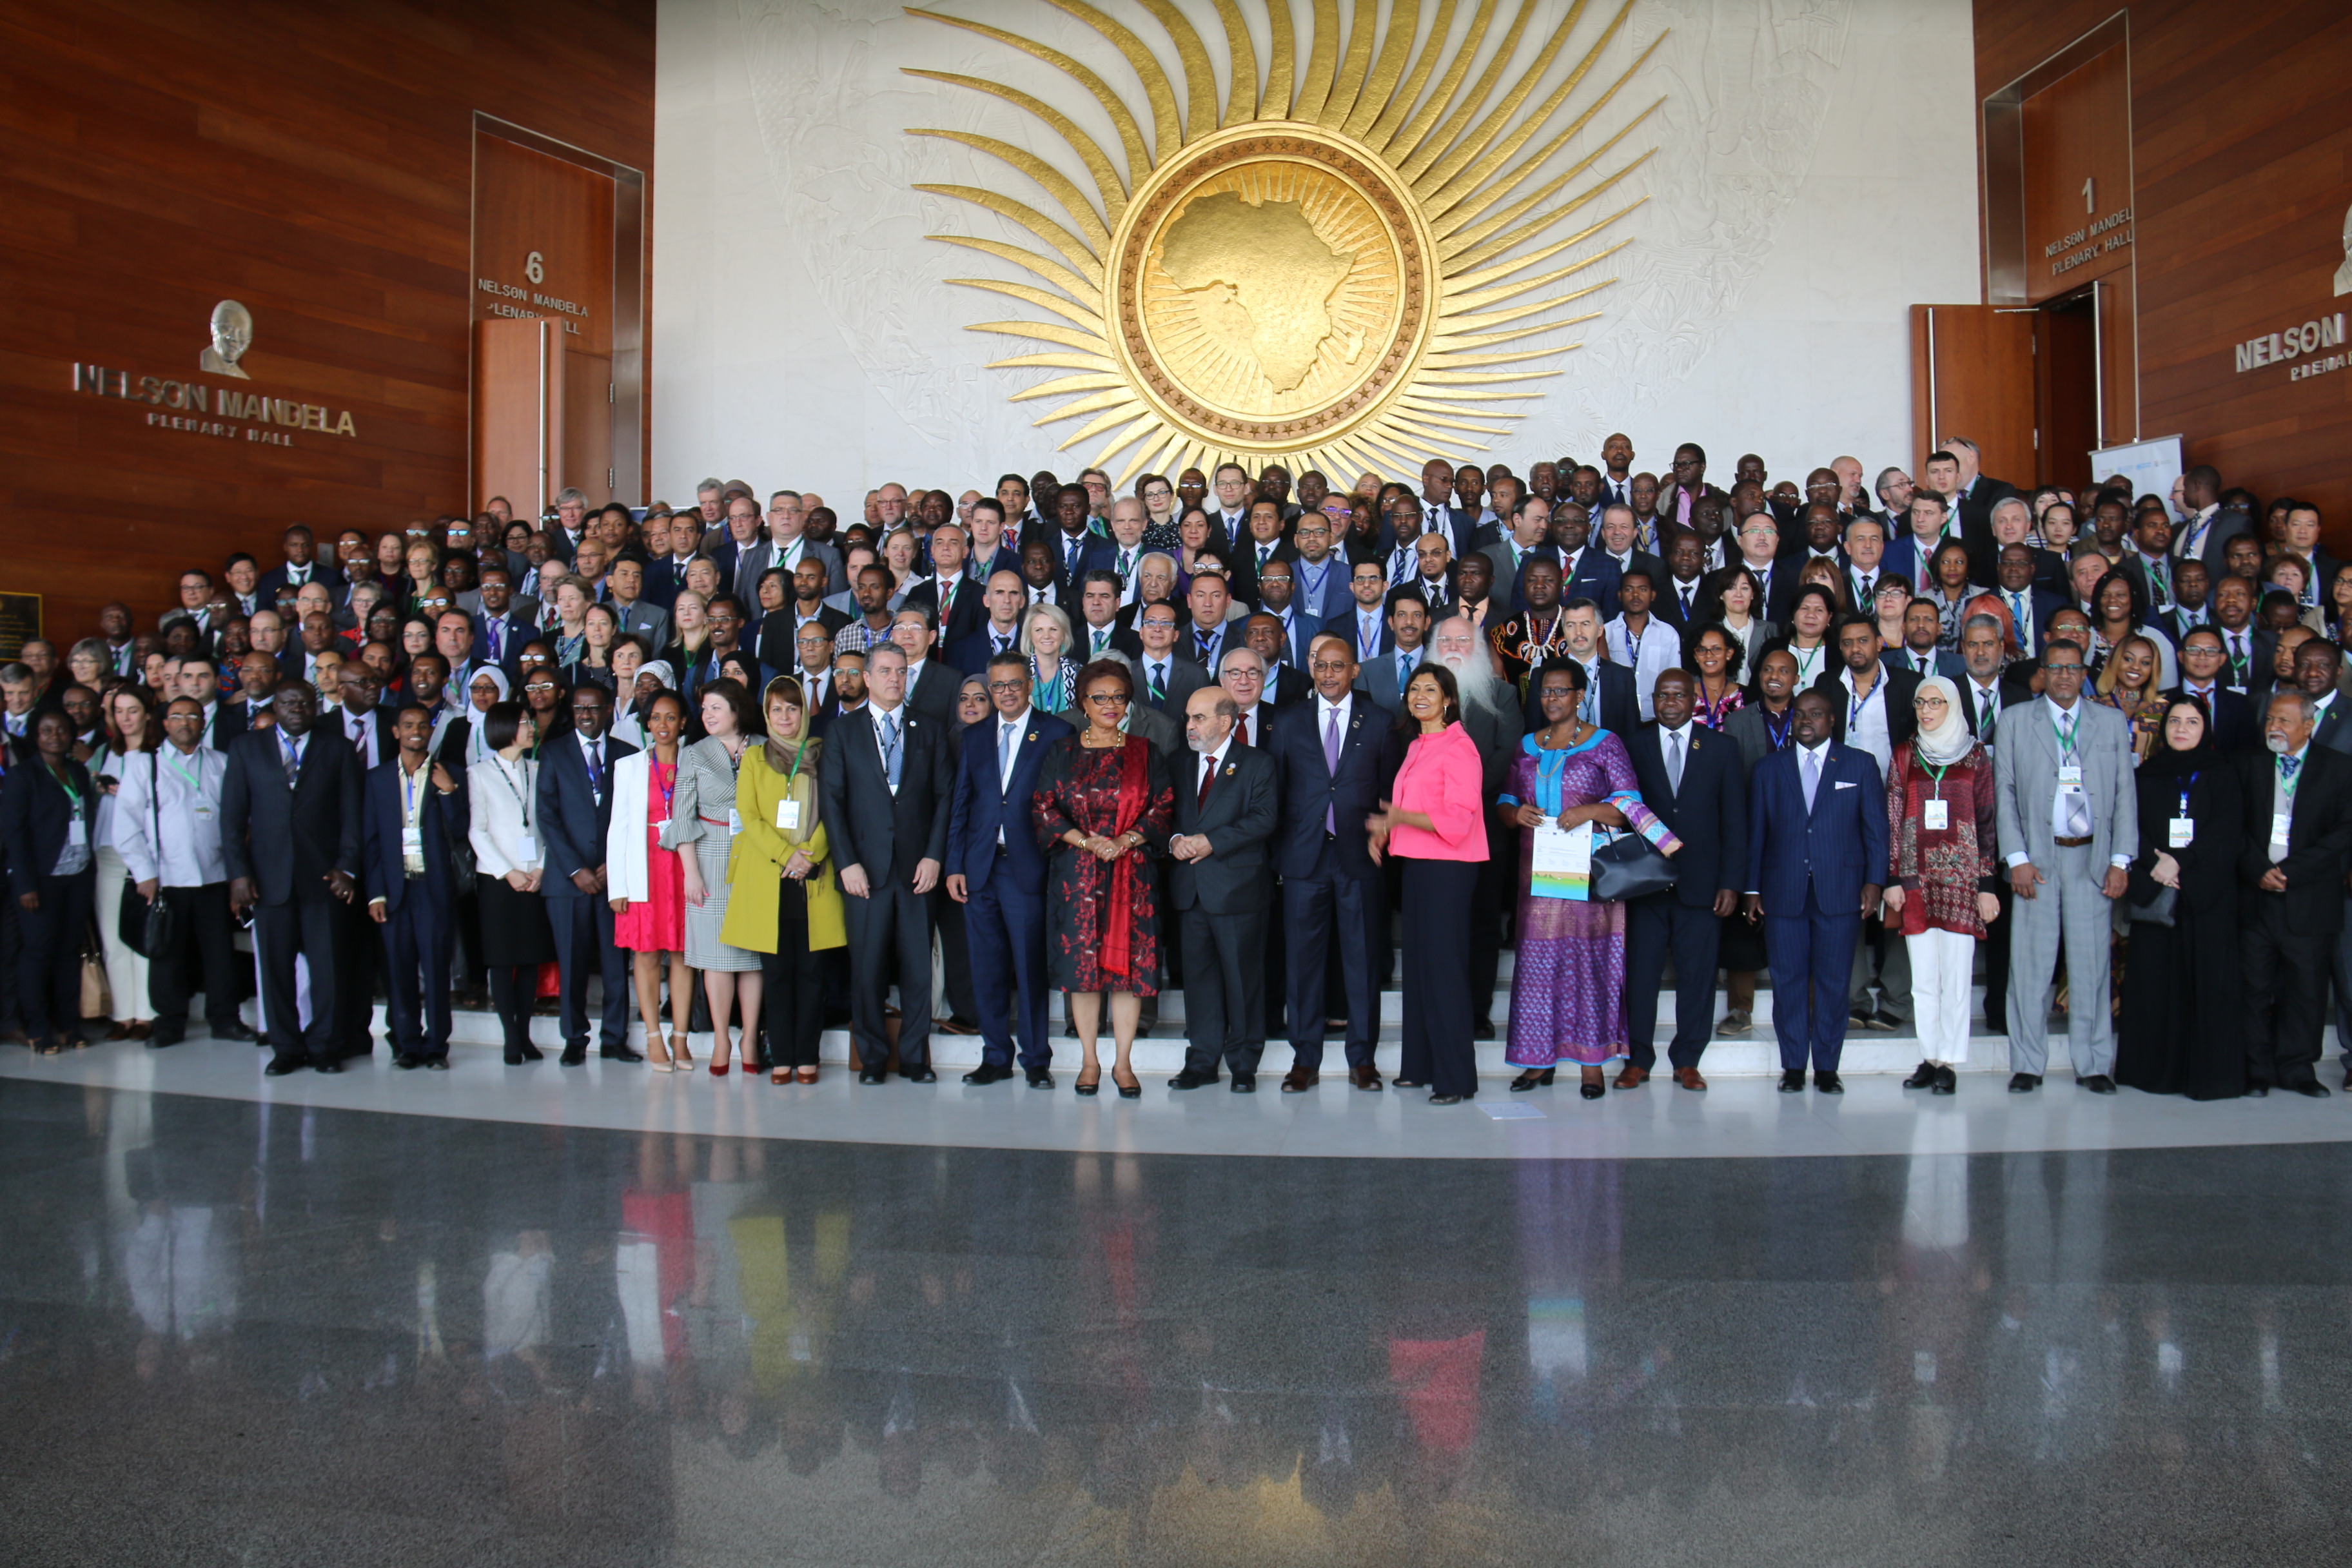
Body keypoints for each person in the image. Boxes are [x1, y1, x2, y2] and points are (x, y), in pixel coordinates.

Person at [1993, 641, 2135, 1093]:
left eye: (2073, 668)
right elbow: (2005, 793)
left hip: (2091, 860)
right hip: (2037, 860)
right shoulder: (2016, 720)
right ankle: (2027, 1064)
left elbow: (2126, 796)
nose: (2065, 676)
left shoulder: (2110, 723)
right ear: (2044, 672)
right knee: (2030, 968)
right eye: (2056, 668)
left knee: (2091, 968)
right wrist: (2016, 858)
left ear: (2084, 672)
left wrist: (2120, 860)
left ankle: (2092, 1064)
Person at [1032, 659, 1173, 1095]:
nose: (1110, 705)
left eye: (1118, 697)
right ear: (1083, 703)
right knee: (1083, 971)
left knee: (1130, 972)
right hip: (1077, 876)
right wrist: (1087, 842)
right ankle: (1090, 1061)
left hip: (1133, 876)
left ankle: (1124, 1063)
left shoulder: (1145, 751)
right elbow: (1042, 807)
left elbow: (1164, 805)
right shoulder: (1063, 750)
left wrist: (1126, 840)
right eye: (1100, 698)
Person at [1742, 687, 1888, 1093]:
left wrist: (1875, 882)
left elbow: (1876, 831)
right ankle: (1793, 1065)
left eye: (1816, 714)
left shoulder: (1860, 765)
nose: (1806, 721)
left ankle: (1826, 1066)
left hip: (1841, 891)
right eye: (1800, 714)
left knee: (1833, 982)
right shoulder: (1769, 770)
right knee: (1787, 982)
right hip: (1782, 890)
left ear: (1832, 720)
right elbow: (1757, 835)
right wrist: (1752, 889)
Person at [819, 641, 954, 1084]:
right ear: (868, 677)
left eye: (901, 671)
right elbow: (832, 804)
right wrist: (846, 863)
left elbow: (943, 798)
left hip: (918, 870)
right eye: (886, 671)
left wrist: (935, 855)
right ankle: (873, 1057)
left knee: (918, 968)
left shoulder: (930, 729)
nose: (895, 678)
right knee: (868, 969)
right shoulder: (843, 731)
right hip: (865, 872)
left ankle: (915, 1057)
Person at [1269, 634, 1398, 1090]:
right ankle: (1305, 1058)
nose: (1328, 674)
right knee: (1302, 962)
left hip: (1358, 858)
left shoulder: (1381, 722)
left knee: (1362, 961)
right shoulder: (1287, 721)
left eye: (1337, 666)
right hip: (1304, 858)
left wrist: (1383, 836)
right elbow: (1278, 793)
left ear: (1354, 671)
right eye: (1321, 666)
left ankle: (1362, 1058)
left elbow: (1388, 795)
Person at [222, 678, 362, 1073]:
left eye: (304, 703)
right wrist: (238, 874)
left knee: (327, 970)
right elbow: (231, 819)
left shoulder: (338, 749)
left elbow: (353, 815)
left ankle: (324, 1047)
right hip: (267, 881)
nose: (296, 709)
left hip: (324, 878)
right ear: (277, 706)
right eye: (288, 703)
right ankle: (286, 1047)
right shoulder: (246, 748)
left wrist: (347, 866)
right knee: (275, 969)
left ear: (316, 706)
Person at [946, 653, 1073, 1088]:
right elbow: (962, 802)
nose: (1005, 694)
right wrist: (954, 865)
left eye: (1013, 685)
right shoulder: (976, 735)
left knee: (1029, 967)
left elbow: (1066, 806)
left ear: (1029, 683)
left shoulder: (1057, 732)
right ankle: (995, 1056)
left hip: (1029, 870)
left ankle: (1036, 1059)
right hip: (979, 868)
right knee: (987, 968)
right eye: (997, 687)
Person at [1367, 663, 1489, 1104]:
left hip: (1449, 870)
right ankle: (1418, 1067)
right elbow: (1410, 804)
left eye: (1430, 690)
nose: (1419, 696)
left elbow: (1458, 820)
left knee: (1443, 970)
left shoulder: (1460, 747)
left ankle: (1455, 1078)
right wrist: (1387, 831)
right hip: (1418, 864)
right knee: (1418, 969)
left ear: (1449, 699)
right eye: (1414, 689)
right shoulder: (1419, 743)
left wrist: (1398, 818)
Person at [2114, 696, 2246, 1098]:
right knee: (2156, 986)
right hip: (2158, 894)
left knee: (2209, 987)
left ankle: (2208, 1078)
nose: (2182, 728)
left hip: (2207, 898)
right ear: (2164, 728)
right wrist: (2159, 870)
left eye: (2192, 721)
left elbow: (2229, 832)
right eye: (2174, 721)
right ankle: (2153, 1073)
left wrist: (2182, 863)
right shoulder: (2147, 775)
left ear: (2205, 728)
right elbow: (2131, 828)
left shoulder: (2223, 773)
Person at [1622, 669, 1742, 1090]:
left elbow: (1734, 821)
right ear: (1653, 700)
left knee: (1699, 976)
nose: (1671, 702)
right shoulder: (1632, 746)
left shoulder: (1721, 748)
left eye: (1679, 695)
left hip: (1702, 884)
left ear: (1694, 699)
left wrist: (1731, 883)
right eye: (1663, 695)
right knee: (1640, 976)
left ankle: (1688, 1059)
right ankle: (1638, 1059)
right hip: (1645, 884)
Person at [1883, 678, 2001, 1095]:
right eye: (1920, 702)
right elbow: (1894, 818)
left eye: (1936, 702)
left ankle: (1950, 1060)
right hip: (1916, 880)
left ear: (1952, 705)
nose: (1927, 710)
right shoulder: (1905, 754)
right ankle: (1929, 1057)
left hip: (1962, 881)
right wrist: (1894, 877)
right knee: (1923, 980)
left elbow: (1987, 821)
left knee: (1956, 975)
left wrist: (1987, 884)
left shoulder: (1976, 756)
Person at [729, 675, 845, 1084]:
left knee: (813, 974)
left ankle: (807, 1057)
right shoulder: (755, 759)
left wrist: (807, 854)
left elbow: (836, 811)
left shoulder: (825, 754)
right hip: (769, 878)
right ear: (766, 713)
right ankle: (781, 1057)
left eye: (792, 709)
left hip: (813, 878)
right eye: (776, 709)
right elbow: (749, 816)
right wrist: (785, 855)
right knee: (776, 976)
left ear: (804, 713)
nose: (784, 716)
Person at [2237, 689, 2352, 1097]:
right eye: (2270, 720)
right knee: (2253, 988)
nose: (2274, 728)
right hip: (2257, 897)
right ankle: (2256, 1070)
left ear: (2309, 725)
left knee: (2306, 990)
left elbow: (2344, 831)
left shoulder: (2339, 768)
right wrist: (2259, 871)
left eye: (2284, 721)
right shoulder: (2248, 765)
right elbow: (2234, 827)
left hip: (2309, 898)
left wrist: (2290, 872)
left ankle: (2298, 1068)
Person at [1166, 685, 1279, 1092]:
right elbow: (1165, 813)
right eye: (1189, 717)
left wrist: (1213, 841)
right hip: (1190, 889)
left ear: (1225, 722)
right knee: (1199, 981)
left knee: (1243, 978)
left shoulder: (1256, 763)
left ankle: (1244, 1062)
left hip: (1238, 889)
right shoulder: (1178, 762)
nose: (1190, 725)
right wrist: (1175, 839)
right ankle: (1201, 1061)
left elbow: (1265, 818)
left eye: (1199, 718)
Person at [538, 681, 643, 1066]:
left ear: (608, 710)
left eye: (594, 708)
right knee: (572, 963)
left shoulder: (629, 755)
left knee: (616, 965)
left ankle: (614, 1038)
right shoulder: (553, 752)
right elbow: (547, 816)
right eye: (579, 709)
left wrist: (615, 864)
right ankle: (575, 1038)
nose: (586, 715)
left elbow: (635, 817)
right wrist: (576, 869)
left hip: (615, 879)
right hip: (569, 883)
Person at [360, 705, 467, 1068]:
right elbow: (371, 841)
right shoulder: (377, 779)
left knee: (437, 969)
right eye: (408, 726)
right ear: (396, 732)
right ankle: (406, 1043)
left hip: (433, 889)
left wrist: (450, 793)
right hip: (393, 890)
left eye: (423, 725)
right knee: (398, 969)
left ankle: (437, 1046)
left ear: (431, 730)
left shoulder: (449, 773)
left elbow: (463, 830)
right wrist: (375, 892)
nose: (416, 731)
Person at [667, 678, 764, 1074]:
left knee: (753, 955)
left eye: (716, 708)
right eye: (704, 708)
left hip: (758, 854)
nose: (707, 715)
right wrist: (691, 872)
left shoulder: (764, 745)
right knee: (717, 957)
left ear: (737, 711)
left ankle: (751, 1036)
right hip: (709, 853)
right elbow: (681, 816)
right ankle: (722, 1036)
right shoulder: (693, 754)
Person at [1, 710, 101, 1053]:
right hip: (39, 881)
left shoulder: (76, 770)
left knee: (67, 953)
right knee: (37, 954)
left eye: (61, 729)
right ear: (35, 735)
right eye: (46, 730)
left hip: (78, 877)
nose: (54, 735)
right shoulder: (21, 776)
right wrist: (25, 884)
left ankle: (69, 1026)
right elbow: (15, 834)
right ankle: (40, 1028)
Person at [607, 690, 695, 1070]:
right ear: (647, 723)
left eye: (671, 717)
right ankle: (653, 1037)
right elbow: (618, 828)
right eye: (656, 718)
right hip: (643, 867)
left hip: (685, 867)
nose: (663, 725)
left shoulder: (696, 762)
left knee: (683, 954)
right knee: (645, 954)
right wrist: (618, 886)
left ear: (684, 723)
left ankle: (680, 1038)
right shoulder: (629, 766)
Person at [467, 700, 557, 1065]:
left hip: (535, 878)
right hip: (498, 881)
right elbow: (478, 831)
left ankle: (525, 1035)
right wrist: (509, 872)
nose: (530, 727)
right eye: (522, 722)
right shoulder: (480, 774)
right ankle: (509, 1037)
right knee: (503, 962)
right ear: (504, 729)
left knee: (530, 960)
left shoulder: (539, 769)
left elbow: (549, 825)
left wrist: (538, 869)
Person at [89, 685, 158, 1039]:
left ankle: (146, 1013)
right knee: (113, 936)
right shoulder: (108, 752)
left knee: (142, 935)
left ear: (147, 713)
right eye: (119, 711)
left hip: (146, 854)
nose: (126, 718)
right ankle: (122, 1013)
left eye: (133, 710)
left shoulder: (158, 753)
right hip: (108, 850)